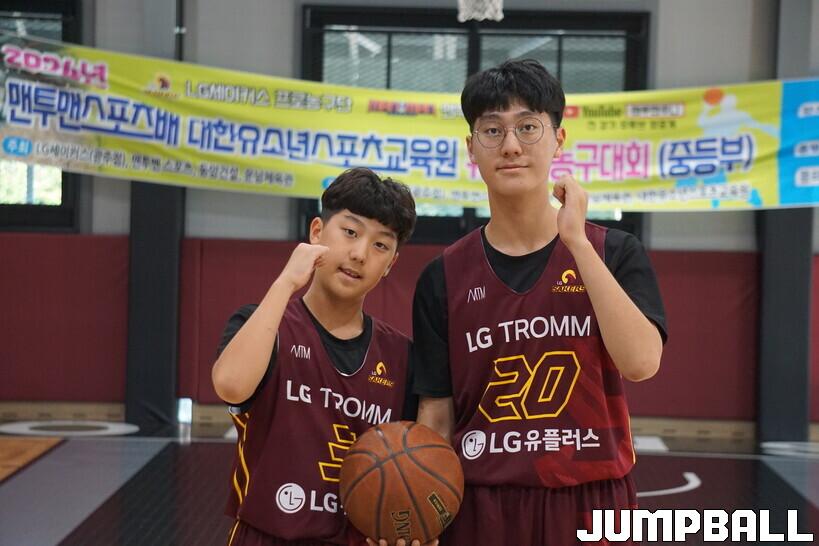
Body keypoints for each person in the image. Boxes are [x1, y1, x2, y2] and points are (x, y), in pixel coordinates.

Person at [412, 59, 668, 545]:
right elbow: (437, 418)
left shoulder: (613, 251)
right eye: (492, 130)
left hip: (593, 501)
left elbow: (641, 363)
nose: (510, 145)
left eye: (528, 127)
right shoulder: (442, 277)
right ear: (471, 148)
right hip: (480, 505)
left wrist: (577, 242)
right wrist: (419, 508)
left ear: (558, 139)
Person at [212, 167, 424, 546]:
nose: (359, 254)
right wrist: (286, 282)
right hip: (265, 536)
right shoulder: (264, 325)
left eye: (380, 246)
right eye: (350, 232)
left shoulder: (401, 358)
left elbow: (414, 465)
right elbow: (230, 385)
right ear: (316, 232)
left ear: (391, 265)